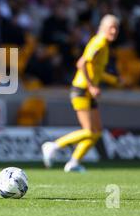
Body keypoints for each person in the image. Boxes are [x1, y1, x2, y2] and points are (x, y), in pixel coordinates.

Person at [41, 14, 122, 172]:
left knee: (97, 132)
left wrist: (113, 80)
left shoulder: (104, 45)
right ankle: (53, 146)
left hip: (88, 91)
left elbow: (96, 70)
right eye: (111, 27)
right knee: (89, 131)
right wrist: (91, 86)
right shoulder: (98, 42)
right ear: (103, 27)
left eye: (116, 28)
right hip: (82, 89)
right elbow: (81, 63)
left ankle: (73, 163)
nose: (114, 31)